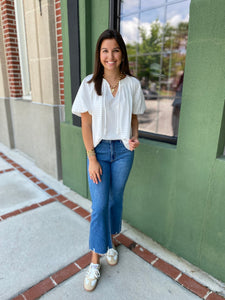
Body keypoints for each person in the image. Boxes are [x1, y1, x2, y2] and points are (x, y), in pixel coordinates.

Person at [72, 29, 146, 292]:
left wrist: (134, 136)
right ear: (99, 54)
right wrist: (91, 157)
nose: (110, 56)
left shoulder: (133, 85)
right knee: (99, 206)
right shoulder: (90, 84)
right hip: (99, 152)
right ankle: (95, 261)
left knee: (115, 200)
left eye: (115, 50)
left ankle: (111, 242)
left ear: (122, 54)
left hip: (124, 152)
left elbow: (135, 118)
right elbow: (86, 122)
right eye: (105, 50)